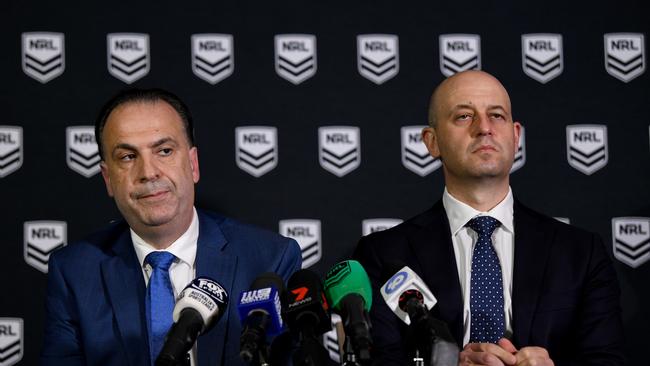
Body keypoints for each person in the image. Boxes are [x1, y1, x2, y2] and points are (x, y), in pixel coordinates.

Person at [353, 70, 624, 366]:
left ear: (515, 135)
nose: (484, 128)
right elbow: (379, 360)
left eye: (496, 115)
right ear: (432, 142)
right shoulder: (384, 256)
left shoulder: (581, 253)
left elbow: (606, 359)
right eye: (463, 117)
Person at [42, 89, 302, 366]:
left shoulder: (269, 259)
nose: (148, 172)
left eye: (164, 151)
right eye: (128, 157)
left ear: (193, 164)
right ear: (107, 178)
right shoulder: (75, 271)